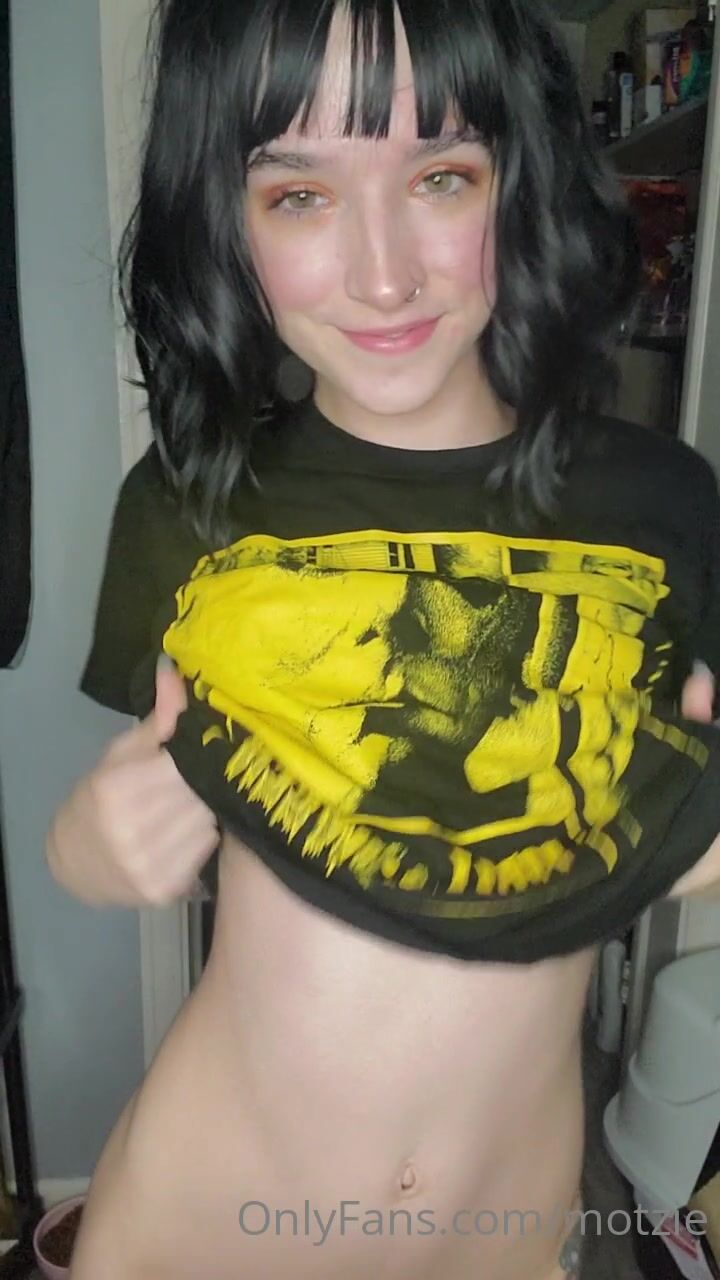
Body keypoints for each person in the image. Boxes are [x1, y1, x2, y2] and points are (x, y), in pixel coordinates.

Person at [47, 0, 720, 1276]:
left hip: (501, 1240)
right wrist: (85, 843)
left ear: (517, 183)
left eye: (440, 177)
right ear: (229, 224)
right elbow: (152, 801)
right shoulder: (190, 506)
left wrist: (677, 829)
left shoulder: (664, 505)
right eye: (299, 195)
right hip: (203, 1227)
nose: (383, 275)